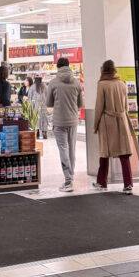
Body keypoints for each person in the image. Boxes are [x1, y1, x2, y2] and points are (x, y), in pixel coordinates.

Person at [92, 60, 138, 194]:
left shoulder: (102, 85)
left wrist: (95, 125)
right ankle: (128, 183)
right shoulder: (122, 84)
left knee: (104, 153)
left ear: (103, 70)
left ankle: (102, 182)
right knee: (124, 154)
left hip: (107, 122)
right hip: (121, 119)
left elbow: (99, 107)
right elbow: (125, 107)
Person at [46, 57, 83, 192]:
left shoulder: (53, 82)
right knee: (72, 149)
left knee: (63, 149)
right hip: (73, 121)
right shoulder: (77, 83)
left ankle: (68, 180)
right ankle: (71, 177)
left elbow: (48, 103)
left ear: (57, 67)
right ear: (69, 66)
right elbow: (80, 104)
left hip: (59, 121)